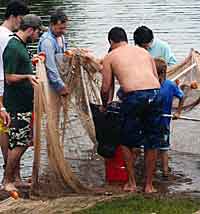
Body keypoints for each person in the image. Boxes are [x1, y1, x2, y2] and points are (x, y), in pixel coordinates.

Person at [101, 27, 162, 193]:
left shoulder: (110, 56)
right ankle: (149, 186)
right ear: (126, 39)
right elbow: (156, 79)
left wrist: (104, 105)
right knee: (152, 141)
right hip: (155, 94)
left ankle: (132, 183)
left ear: (111, 42)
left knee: (126, 141)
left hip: (134, 97)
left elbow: (106, 88)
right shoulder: (144, 52)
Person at [2, 14, 43, 191]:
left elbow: (18, 68)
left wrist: (32, 64)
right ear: (30, 30)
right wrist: (27, 75)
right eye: (38, 31)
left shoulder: (21, 45)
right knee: (18, 143)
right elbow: (9, 77)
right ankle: (7, 181)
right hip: (17, 106)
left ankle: (15, 179)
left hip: (25, 104)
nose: (38, 35)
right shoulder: (13, 47)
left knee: (24, 141)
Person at [0, 0, 29, 184]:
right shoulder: (5, 37)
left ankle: (13, 175)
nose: (23, 23)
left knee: (10, 131)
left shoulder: (5, 35)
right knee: (6, 131)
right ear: (15, 17)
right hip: (3, 90)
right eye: (22, 19)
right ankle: (9, 176)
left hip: (4, 88)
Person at [154, 58, 184, 177]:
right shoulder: (149, 83)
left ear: (162, 73)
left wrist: (178, 112)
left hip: (163, 123)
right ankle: (151, 170)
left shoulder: (170, 85)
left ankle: (165, 172)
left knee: (164, 148)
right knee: (151, 147)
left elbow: (181, 96)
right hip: (149, 121)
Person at [38, 9, 69, 96]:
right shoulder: (47, 42)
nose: (64, 31)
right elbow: (50, 67)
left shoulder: (61, 37)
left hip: (61, 79)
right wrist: (60, 86)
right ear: (52, 25)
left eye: (65, 28)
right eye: (61, 28)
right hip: (51, 85)